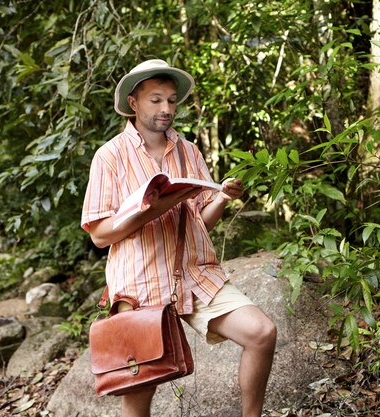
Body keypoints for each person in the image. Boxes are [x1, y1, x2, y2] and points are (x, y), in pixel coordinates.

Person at [81, 59, 277, 417]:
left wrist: (221, 197)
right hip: (138, 283)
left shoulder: (188, 151)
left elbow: (202, 221)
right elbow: (99, 236)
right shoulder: (109, 156)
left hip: (194, 272)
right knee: (141, 389)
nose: (166, 109)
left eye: (172, 101)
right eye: (156, 100)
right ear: (133, 103)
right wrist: (152, 210)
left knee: (261, 332)